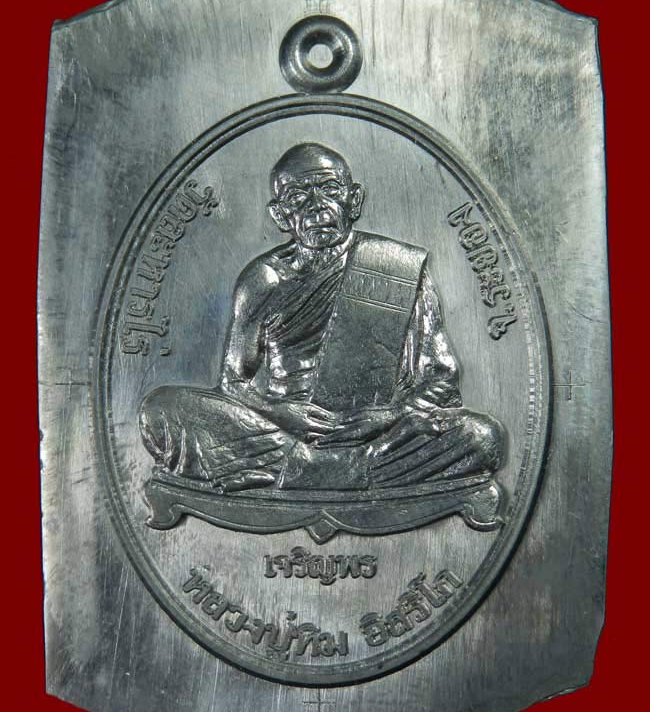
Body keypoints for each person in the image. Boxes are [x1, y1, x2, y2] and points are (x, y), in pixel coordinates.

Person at [139, 143, 504, 492]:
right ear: (280, 215)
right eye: (298, 196)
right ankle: (338, 470)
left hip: (376, 435)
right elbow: (233, 383)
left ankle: (300, 472)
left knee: (481, 436)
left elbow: (442, 380)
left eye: (330, 190)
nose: (317, 207)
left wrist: (385, 418)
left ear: (353, 200)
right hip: (285, 433)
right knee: (161, 409)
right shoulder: (264, 279)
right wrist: (281, 413)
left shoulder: (397, 269)